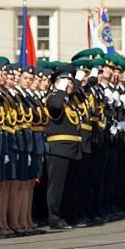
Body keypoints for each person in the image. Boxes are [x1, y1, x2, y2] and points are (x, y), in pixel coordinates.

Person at [45, 65, 82, 230]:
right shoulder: (52, 97)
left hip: (73, 147)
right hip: (59, 147)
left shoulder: (70, 101)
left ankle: (68, 215)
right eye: (66, 82)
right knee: (57, 186)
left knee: (70, 185)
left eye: (70, 82)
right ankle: (54, 218)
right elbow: (55, 108)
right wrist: (59, 89)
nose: (69, 86)